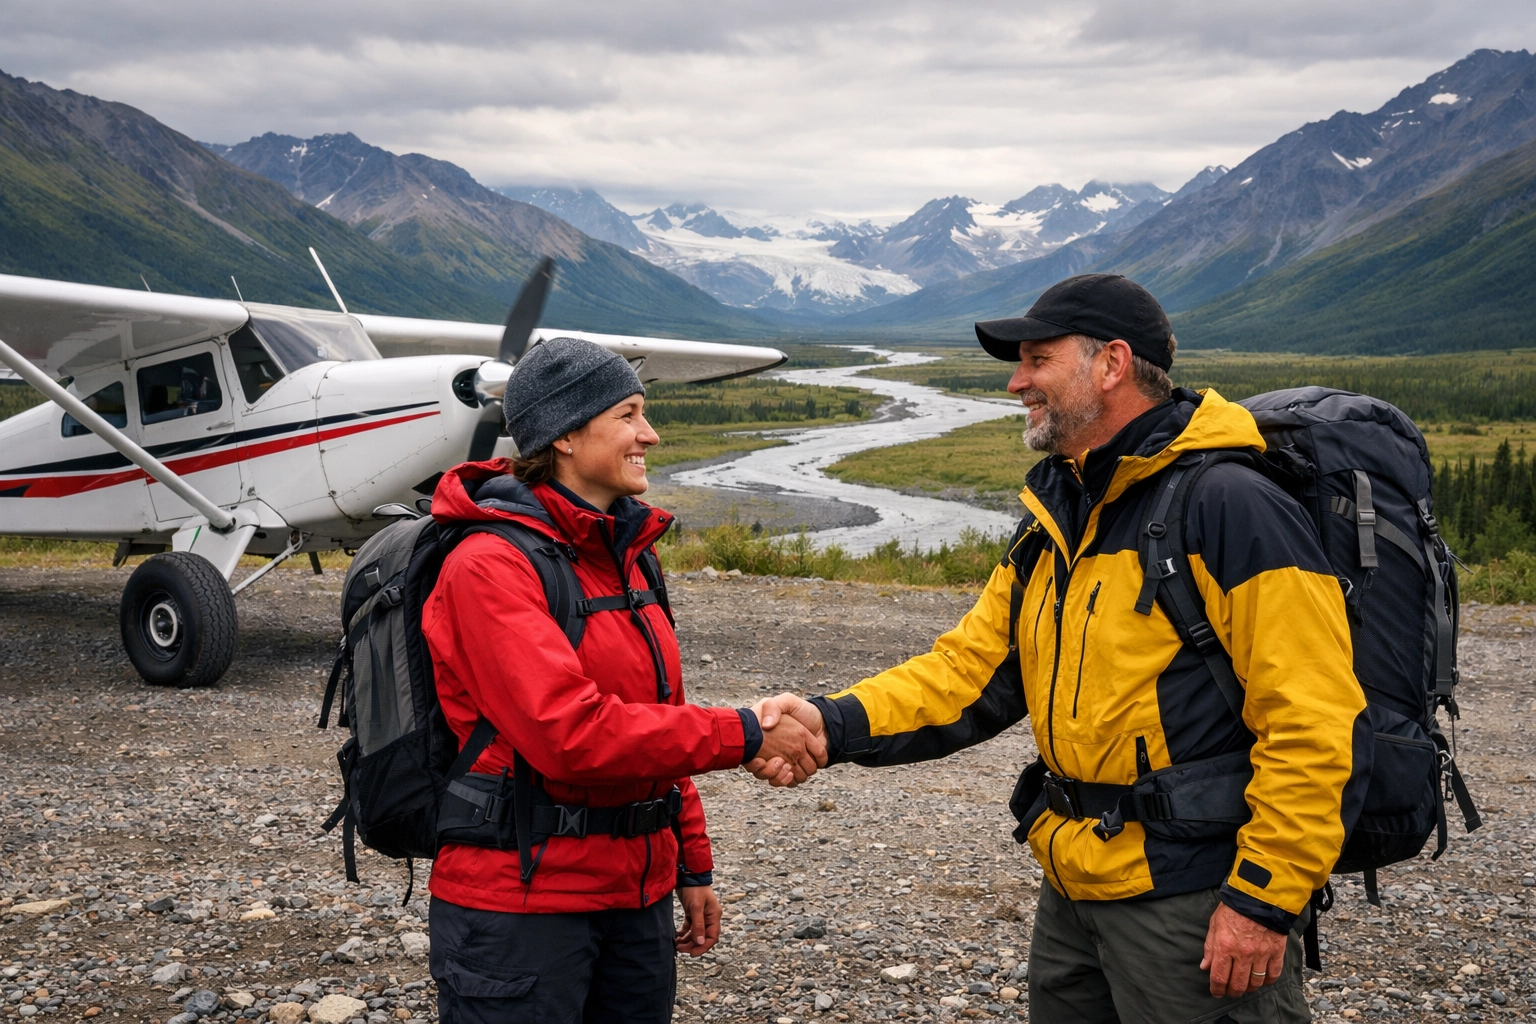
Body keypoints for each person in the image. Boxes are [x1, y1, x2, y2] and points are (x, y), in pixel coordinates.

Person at [749, 275, 1369, 1023]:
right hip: (1076, 883)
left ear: (1110, 363)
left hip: (1196, 897)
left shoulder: (1231, 505)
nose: (1017, 382)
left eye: (1036, 360)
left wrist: (1264, 900)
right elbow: (969, 672)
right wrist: (827, 723)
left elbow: (1315, 720)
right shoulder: (1060, 512)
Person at [422, 337, 826, 1024]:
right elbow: (571, 734)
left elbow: (657, 719)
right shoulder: (489, 566)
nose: (651, 433)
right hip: (521, 906)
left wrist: (690, 866)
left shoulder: (627, 555)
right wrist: (748, 731)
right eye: (630, 414)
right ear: (567, 435)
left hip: (633, 898)